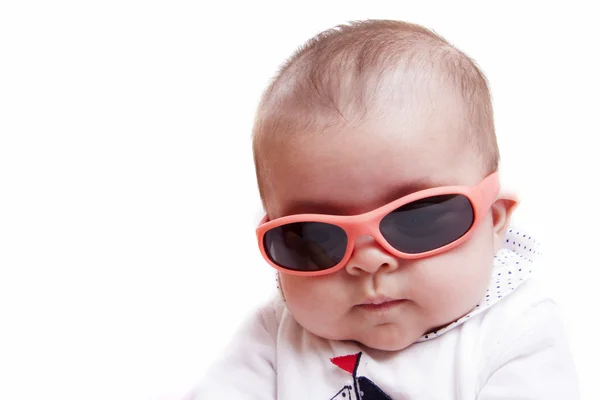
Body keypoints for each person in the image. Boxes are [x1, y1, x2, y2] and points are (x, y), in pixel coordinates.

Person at [187, 19, 579, 399]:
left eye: (417, 218)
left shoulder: (518, 329)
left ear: (494, 221)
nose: (369, 262)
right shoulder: (275, 334)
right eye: (315, 239)